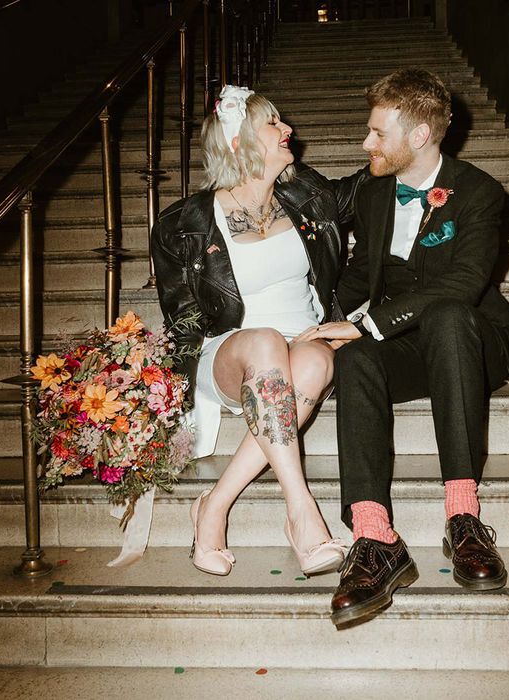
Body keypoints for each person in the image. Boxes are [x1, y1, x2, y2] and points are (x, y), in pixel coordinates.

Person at [294, 69, 509, 627]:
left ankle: (463, 519)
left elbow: (463, 284)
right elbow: (359, 277)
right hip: (406, 347)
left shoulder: (479, 192)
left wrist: (372, 323)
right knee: (353, 354)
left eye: (378, 133)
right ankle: (376, 537)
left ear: (420, 136)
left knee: (449, 316)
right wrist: (325, 325)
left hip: (470, 345)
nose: (366, 144)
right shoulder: (378, 192)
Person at [151, 85, 365, 577]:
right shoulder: (183, 224)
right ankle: (302, 510)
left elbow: (364, 188)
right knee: (267, 341)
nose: (288, 129)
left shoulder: (306, 195)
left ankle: (214, 505)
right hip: (228, 353)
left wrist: (396, 144)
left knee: (315, 359)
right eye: (273, 123)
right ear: (238, 142)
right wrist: (177, 394)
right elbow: (182, 320)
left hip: (299, 345)